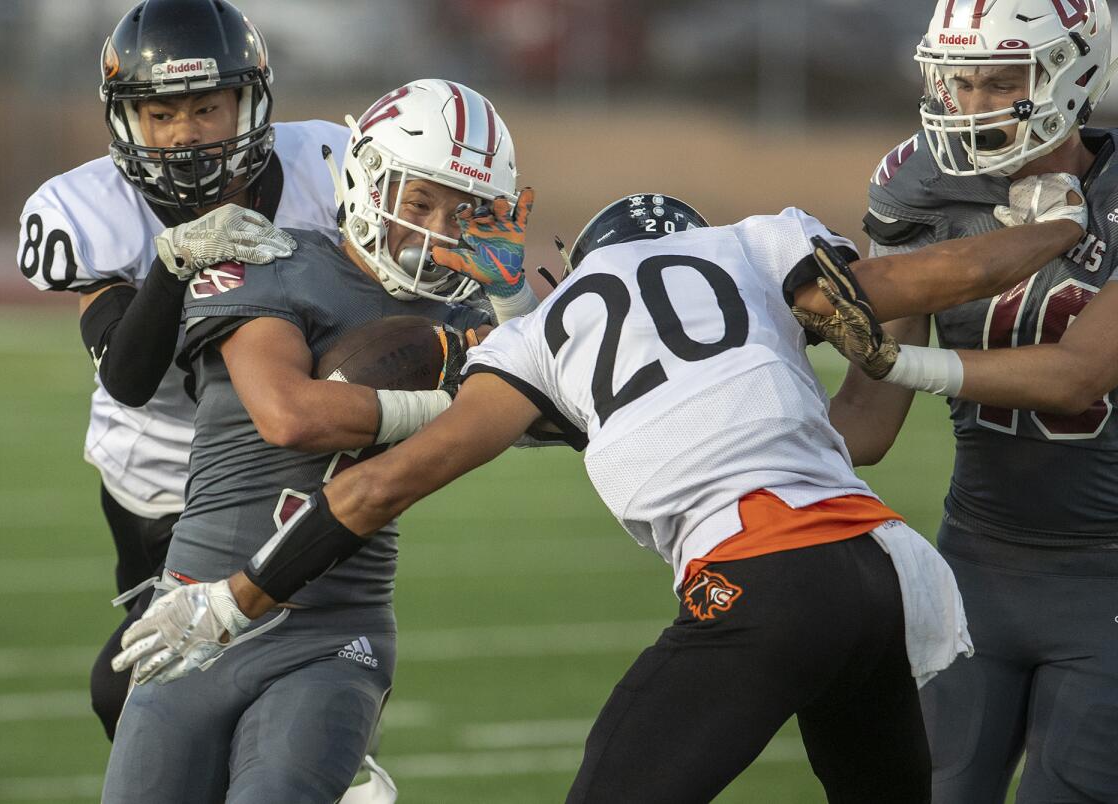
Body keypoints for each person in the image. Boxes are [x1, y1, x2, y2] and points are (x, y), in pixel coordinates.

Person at [111, 182, 1085, 802]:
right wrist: (1055, 224)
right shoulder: (751, 245)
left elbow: (381, 489)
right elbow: (918, 290)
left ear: (585, 264)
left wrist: (239, 600)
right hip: (881, 578)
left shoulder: (552, 326)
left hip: (763, 581)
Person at [101, 78, 538, 803]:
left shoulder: (467, 307)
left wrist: (517, 301)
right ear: (369, 180)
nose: (436, 228)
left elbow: (565, 405)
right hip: (195, 609)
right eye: (419, 201)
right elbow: (290, 415)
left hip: (334, 633)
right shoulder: (269, 257)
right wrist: (457, 406)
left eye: (460, 210)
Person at [15, 0, 355, 742]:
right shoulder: (89, 208)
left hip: (272, 475)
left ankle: (325, 745)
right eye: (161, 113)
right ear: (127, 120)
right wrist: (176, 263)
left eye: (207, 107)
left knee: (135, 693)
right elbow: (127, 376)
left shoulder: (329, 166)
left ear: (251, 101)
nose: (185, 134)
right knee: (160, 694)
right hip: (147, 483)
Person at [813, 1, 1118, 800]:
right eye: (958, 83)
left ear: (1074, 73)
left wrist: (906, 360)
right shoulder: (920, 185)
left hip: (1107, 582)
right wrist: (723, 434)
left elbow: (1078, 374)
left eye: (996, 84)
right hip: (976, 562)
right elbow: (867, 419)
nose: (971, 107)